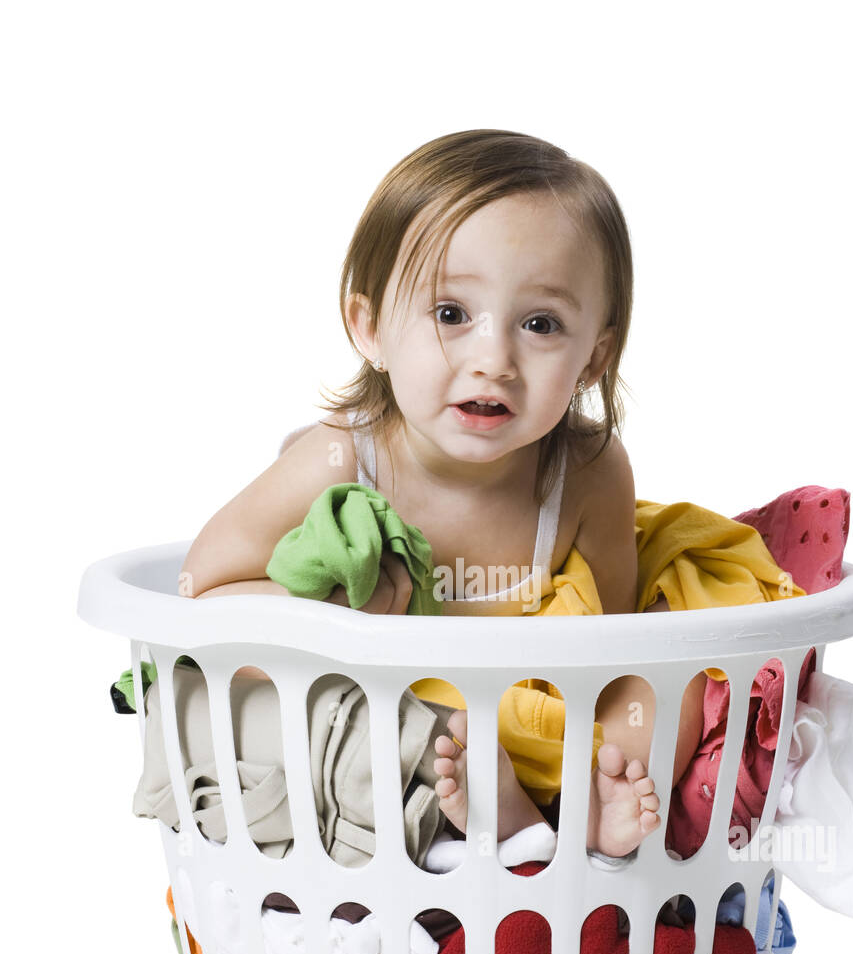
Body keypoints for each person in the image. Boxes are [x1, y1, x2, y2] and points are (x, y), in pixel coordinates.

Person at [179, 129, 708, 859]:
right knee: (300, 709)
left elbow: (607, 644)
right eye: (451, 314)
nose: (493, 360)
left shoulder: (588, 470)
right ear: (369, 328)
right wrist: (335, 621)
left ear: (594, 356)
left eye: (540, 324)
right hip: (390, 719)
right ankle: (494, 826)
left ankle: (573, 820)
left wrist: (598, 738)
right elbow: (200, 599)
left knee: (675, 686)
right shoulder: (336, 461)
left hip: (529, 719)